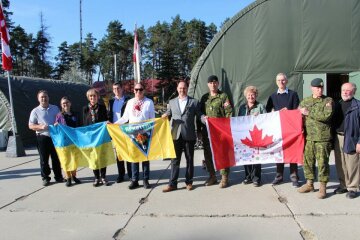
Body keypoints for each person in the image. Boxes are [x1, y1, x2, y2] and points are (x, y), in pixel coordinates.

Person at [162, 80, 201, 192]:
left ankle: (189, 182)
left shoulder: (194, 102)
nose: (182, 90)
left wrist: (204, 119)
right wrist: (164, 115)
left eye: (184, 88)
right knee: (175, 160)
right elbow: (169, 113)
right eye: (180, 88)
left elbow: (199, 116)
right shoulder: (172, 101)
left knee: (189, 159)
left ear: (187, 88)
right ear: (177, 89)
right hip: (175, 135)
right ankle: (172, 184)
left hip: (189, 135)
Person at [298, 78, 334, 199]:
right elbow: (298, 117)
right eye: (317, 88)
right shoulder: (305, 101)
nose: (320, 90)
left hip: (323, 139)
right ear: (312, 88)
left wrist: (308, 113)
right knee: (308, 162)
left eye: (321, 88)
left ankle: (323, 186)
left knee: (323, 162)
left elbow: (326, 116)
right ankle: (310, 184)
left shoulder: (328, 100)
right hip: (309, 138)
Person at [115, 83, 155, 190]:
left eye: (140, 89)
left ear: (144, 90)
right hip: (132, 133)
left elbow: (152, 119)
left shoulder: (149, 102)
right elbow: (125, 118)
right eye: (136, 90)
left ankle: (145, 179)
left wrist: (152, 133)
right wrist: (114, 124)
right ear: (133, 91)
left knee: (145, 157)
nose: (138, 92)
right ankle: (135, 180)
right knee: (134, 158)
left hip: (144, 134)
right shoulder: (130, 102)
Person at [266, 73, 300, 187]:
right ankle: (279, 176)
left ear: (287, 81)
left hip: (291, 129)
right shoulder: (272, 96)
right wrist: (276, 113)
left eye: (283, 80)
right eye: (279, 80)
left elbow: (297, 112)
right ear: (276, 82)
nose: (281, 82)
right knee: (278, 152)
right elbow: (267, 112)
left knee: (292, 152)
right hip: (278, 129)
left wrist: (288, 112)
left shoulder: (293, 95)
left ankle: (294, 176)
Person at [200, 75, 233, 188]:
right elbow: (200, 114)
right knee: (208, 154)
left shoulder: (223, 96)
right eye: (210, 83)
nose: (213, 85)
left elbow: (229, 112)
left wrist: (226, 128)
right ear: (208, 84)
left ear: (218, 84)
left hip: (220, 131)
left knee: (222, 153)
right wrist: (200, 127)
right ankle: (212, 176)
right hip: (207, 131)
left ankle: (224, 177)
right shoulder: (204, 98)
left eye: (215, 82)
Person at [29, 90, 64, 186]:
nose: (44, 99)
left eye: (45, 97)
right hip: (42, 137)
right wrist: (40, 127)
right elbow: (31, 125)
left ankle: (58, 176)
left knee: (56, 158)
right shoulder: (35, 111)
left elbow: (60, 119)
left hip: (55, 137)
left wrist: (58, 122)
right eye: (42, 97)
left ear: (48, 97)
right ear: (38, 99)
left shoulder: (55, 108)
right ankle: (45, 178)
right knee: (44, 159)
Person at [333, 82, 360, 199]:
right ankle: (343, 185)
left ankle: (353, 187)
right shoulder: (337, 104)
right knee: (340, 162)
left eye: (348, 90)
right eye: (343, 89)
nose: (345, 92)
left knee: (352, 163)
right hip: (338, 137)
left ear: (353, 92)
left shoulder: (358, 106)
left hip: (352, 137)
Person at [239, 86, 266, 187]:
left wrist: (258, 118)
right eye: (249, 95)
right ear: (246, 96)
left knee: (256, 158)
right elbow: (239, 121)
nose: (251, 96)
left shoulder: (260, 106)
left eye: (252, 94)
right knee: (245, 157)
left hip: (256, 136)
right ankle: (248, 177)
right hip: (245, 135)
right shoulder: (242, 107)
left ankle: (256, 178)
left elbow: (266, 119)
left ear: (256, 95)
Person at [83, 88, 110, 187]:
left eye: (94, 96)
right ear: (88, 98)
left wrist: (107, 122)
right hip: (91, 138)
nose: (92, 98)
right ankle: (96, 177)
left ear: (97, 97)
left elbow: (106, 120)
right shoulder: (85, 109)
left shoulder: (102, 107)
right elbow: (84, 124)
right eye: (90, 96)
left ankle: (103, 177)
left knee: (102, 157)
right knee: (93, 158)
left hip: (101, 136)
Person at [108, 81, 132, 183]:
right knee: (119, 154)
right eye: (114, 89)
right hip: (115, 130)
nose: (116, 91)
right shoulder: (111, 102)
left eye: (118, 88)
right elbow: (109, 114)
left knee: (129, 152)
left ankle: (131, 175)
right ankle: (121, 175)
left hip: (126, 129)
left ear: (122, 89)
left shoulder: (128, 100)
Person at [54, 97, 82, 187]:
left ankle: (74, 176)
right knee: (65, 159)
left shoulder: (75, 114)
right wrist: (56, 125)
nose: (65, 104)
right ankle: (68, 177)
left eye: (66, 102)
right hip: (64, 141)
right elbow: (56, 127)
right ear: (61, 105)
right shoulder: (59, 115)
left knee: (74, 159)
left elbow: (79, 126)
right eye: (63, 103)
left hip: (74, 140)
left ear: (70, 103)